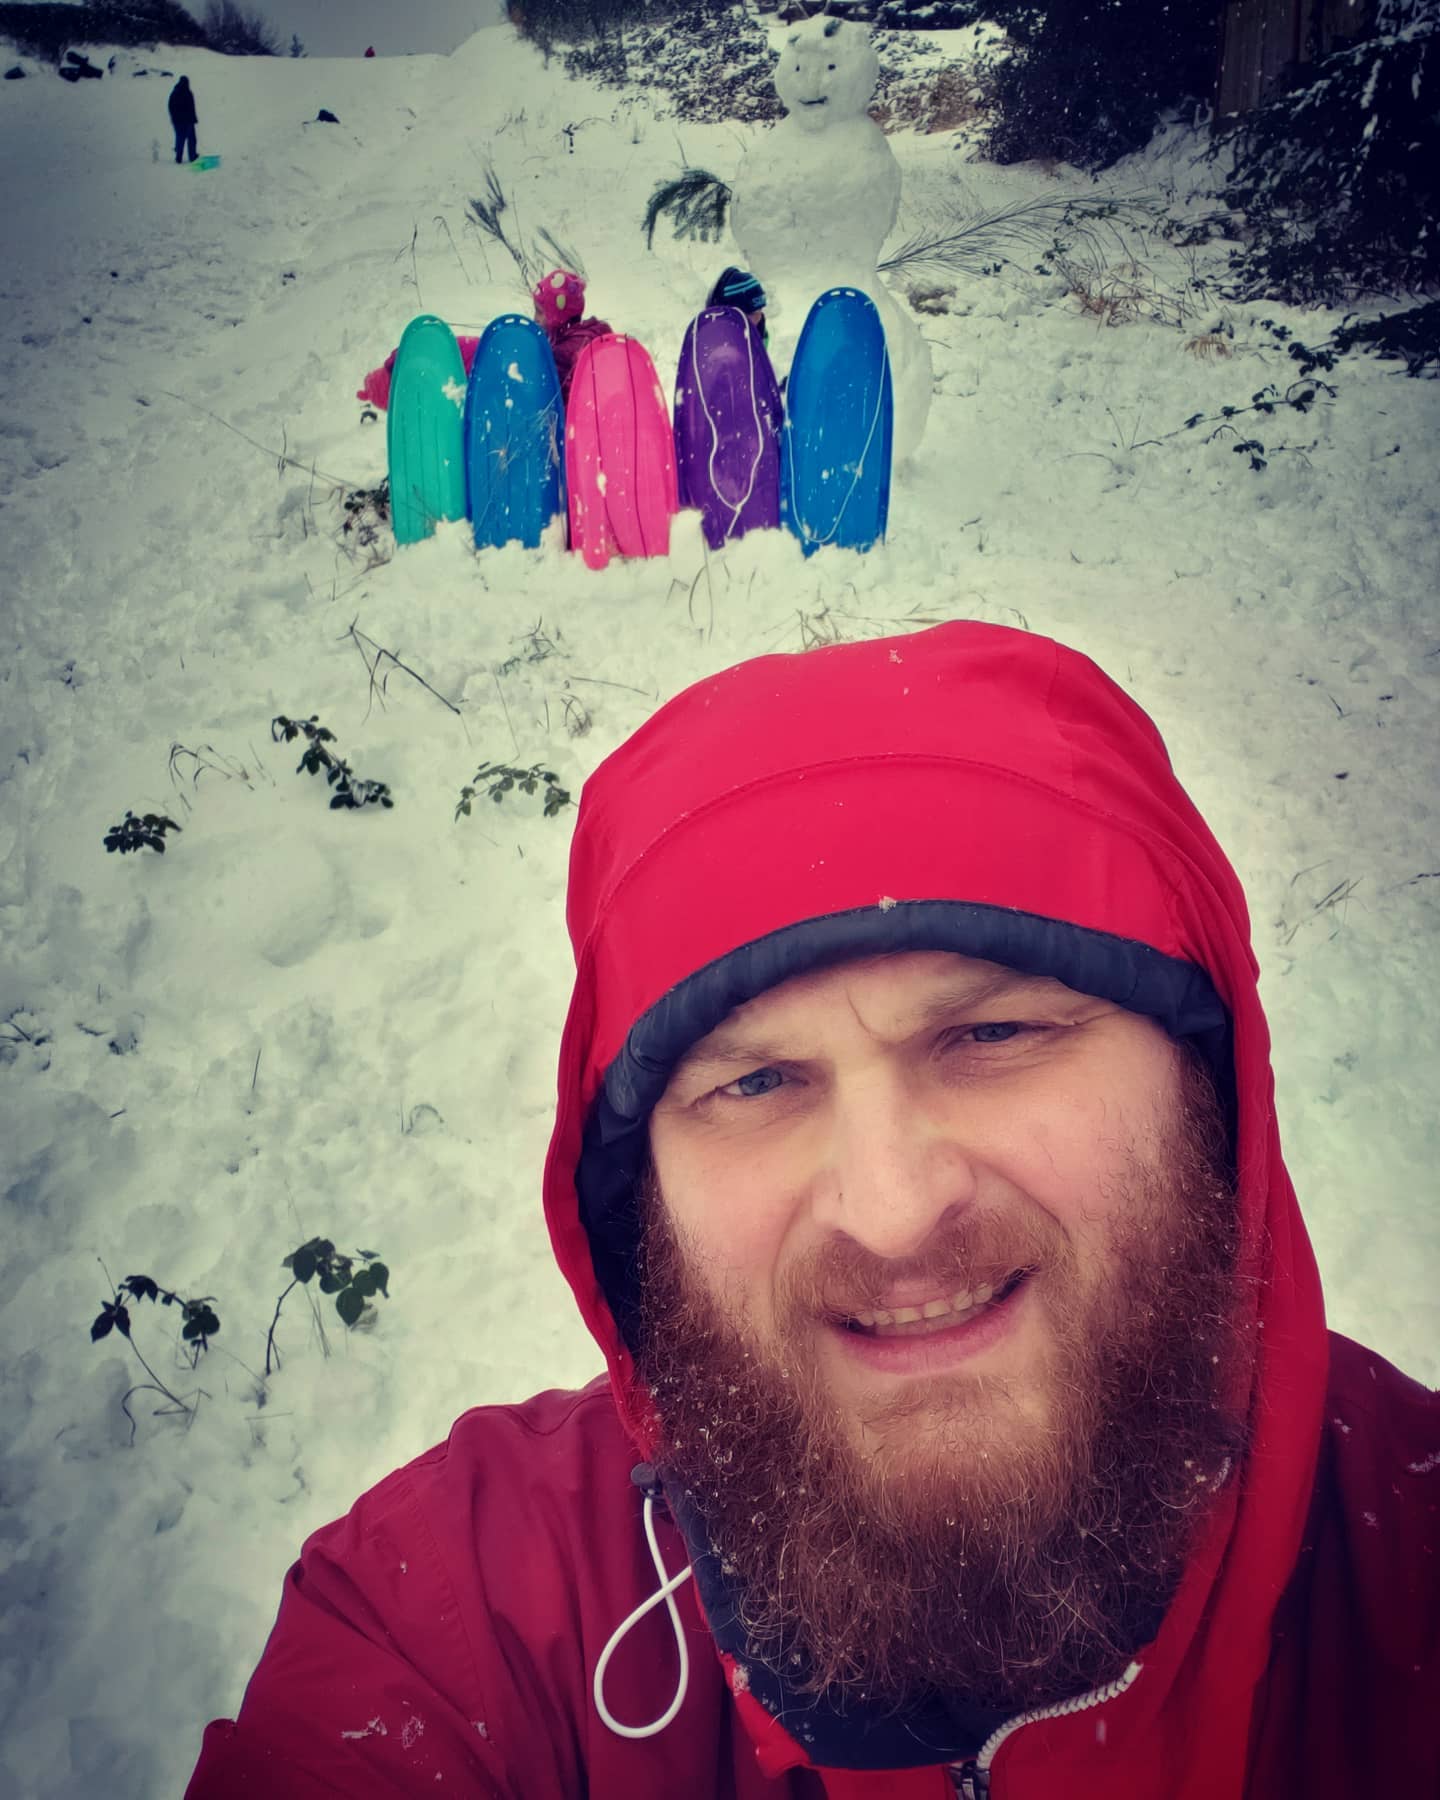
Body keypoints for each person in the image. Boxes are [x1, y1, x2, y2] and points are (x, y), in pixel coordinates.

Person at [185, 622, 1438, 1798]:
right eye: (757, 1082)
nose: (891, 1210)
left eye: (994, 1032)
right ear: (640, 1199)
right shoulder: (458, 1614)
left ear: (1209, 1090)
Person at [532, 268, 611, 405]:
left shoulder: (563, 353)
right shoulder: (592, 334)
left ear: (557, 317)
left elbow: (549, 399)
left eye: (540, 312)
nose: (535, 318)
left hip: (575, 422)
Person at [708, 265, 768, 345]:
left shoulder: (759, 333)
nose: (758, 317)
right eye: (751, 313)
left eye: (760, 309)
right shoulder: (711, 340)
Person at [168, 75, 198, 165]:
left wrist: (193, 118)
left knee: (187, 138)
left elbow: (191, 107)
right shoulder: (180, 92)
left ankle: (187, 156)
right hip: (183, 121)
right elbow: (172, 107)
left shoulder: (179, 92)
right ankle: (186, 157)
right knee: (186, 139)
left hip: (185, 121)